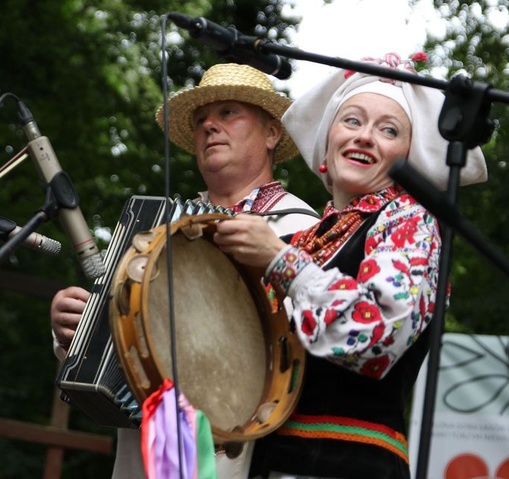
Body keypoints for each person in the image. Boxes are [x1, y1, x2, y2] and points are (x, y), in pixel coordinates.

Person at [211, 53, 488, 479]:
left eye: (388, 130)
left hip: (352, 462)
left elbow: (376, 332)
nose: (365, 138)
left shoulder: (408, 220)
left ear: (407, 159)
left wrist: (281, 262)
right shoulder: (308, 237)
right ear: (327, 142)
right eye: (353, 121)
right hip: (269, 461)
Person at [49, 63, 319, 478]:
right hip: (142, 460)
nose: (210, 125)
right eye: (200, 120)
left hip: (238, 459)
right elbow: (121, 344)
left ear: (271, 133)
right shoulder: (154, 228)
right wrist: (76, 329)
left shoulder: (301, 229)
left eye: (228, 112)